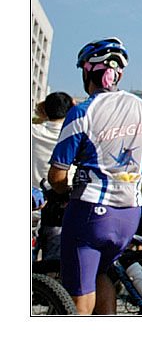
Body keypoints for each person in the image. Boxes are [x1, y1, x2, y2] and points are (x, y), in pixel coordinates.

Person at [47, 37, 142, 314]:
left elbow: (57, 174)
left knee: (79, 295)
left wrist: (63, 193)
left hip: (90, 212)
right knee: (102, 274)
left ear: (87, 72)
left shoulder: (82, 112)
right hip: (129, 215)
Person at [31, 92, 75, 261]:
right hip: (60, 208)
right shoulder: (72, 135)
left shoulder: (33, 131)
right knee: (53, 269)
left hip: (31, 205)